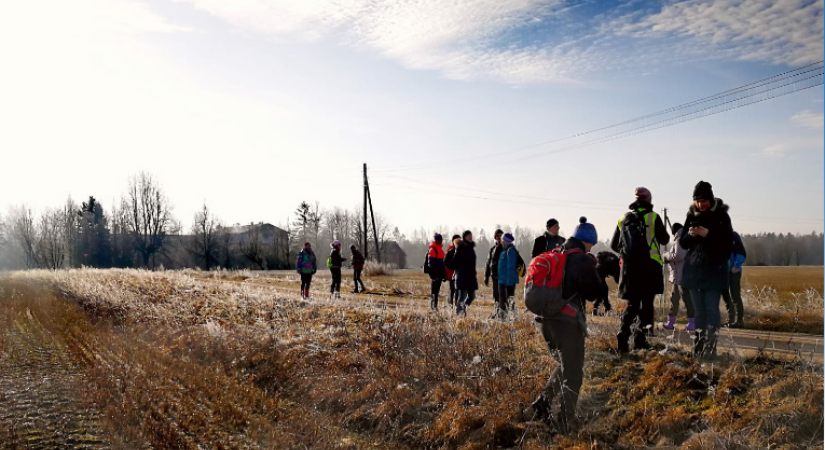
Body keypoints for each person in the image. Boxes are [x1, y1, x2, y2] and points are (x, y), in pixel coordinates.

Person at [531, 217, 602, 432]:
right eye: (592, 243)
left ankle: (542, 405)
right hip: (567, 324)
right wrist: (595, 268)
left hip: (546, 322)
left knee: (564, 366)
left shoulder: (558, 253)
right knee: (574, 375)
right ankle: (562, 425)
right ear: (588, 242)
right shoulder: (581, 260)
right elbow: (593, 293)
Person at [610, 187, 670, 353]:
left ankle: (623, 333)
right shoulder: (653, 217)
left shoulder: (623, 219)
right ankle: (640, 341)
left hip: (630, 268)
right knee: (646, 305)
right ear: (649, 200)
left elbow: (614, 245)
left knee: (632, 304)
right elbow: (664, 238)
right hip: (649, 266)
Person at [680, 181, 734, 359]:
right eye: (697, 201)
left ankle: (711, 350)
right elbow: (683, 242)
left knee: (711, 310)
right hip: (694, 271)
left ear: (710, 200)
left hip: (714, 270)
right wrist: (690, 235)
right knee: (698, 312)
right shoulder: (691, 214)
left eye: (704, 201)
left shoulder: (721, 216)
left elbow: (727, 242)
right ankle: (698, 349)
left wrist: (708, 234)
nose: (701, 204)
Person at [663, 223, 695, 331]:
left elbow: (678, 256)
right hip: (682, 275)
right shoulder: (687, 239)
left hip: (680, 275)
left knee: (683, 299)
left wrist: (667, 256)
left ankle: (690, 322)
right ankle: (672, 322)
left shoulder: (679, 240)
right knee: (677, 298)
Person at [721, 231, 747, 328]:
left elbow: (741, 252)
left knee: (735, 295)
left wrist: (736, 265)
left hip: (734, 271)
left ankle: (739, 321)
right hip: (722, 272)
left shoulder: (733, 236)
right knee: (726, 295)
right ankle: (731, 319)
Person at [450, 230, 478, 317]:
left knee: (472, 296)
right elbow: (454, 262)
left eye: (471, 235)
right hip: (462, 276)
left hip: (470, 276)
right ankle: (459, 313)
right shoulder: (460, 248)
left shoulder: (471, 249)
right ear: (464, 237)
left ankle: (462, 309)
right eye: (468, 236)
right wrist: (460, 268)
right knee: (462, 296)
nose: (470, 237)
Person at [496, 233, 520, 320]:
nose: (501, 241)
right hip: (502, 280)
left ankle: (512, 317)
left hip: (507, 281)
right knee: (502, 300)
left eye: (503, 240)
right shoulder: (504, 251)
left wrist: (509, 282)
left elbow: (511, 268)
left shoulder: (511, 251)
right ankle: (503, 318)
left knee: (509, 300)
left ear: (506, 241)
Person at [485, 229, 505, 317]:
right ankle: (497, 312)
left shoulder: (506, 248)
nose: (499, 237)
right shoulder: (492, 249)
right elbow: (488, 263)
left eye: (501, 235)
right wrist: (486, 276)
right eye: (497, 236)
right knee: (496, 295)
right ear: (495, 237)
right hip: (495, 276)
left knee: (503, 295)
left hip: (504, 276)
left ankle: (504, 313)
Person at [427, 233, 447, 310]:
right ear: (436, 240)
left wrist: (444, 275)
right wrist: (433, 276)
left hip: (440, 274)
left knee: (436, 292)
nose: (440, 241)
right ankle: (433, 307)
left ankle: (435, 306)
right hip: (435, 275)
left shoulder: (441, 251)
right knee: (434, 292)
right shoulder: (433, 250)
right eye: (438, 240)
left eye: (440, 240)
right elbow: (431, 265)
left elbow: (443, 265)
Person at [444, 235, 460, 306]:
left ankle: (456, 305)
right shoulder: (450, 251)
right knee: (452, 290)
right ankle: (450, 305)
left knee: (456, 290)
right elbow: (445, 262)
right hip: (451, 274)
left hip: (457, 274)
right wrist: (452, 267)